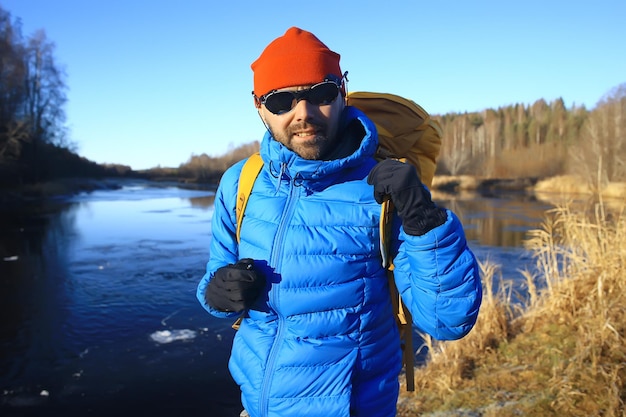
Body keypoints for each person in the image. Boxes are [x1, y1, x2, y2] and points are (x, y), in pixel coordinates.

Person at [197, 27, 482, 417]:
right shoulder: (240, 182)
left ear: (342, 91)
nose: (304, 113)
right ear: (258, 106)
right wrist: (216, 293)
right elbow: (216, 270)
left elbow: (448, 320)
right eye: (281, 101)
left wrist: (425, 220)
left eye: (321, 93)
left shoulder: (384, 190)